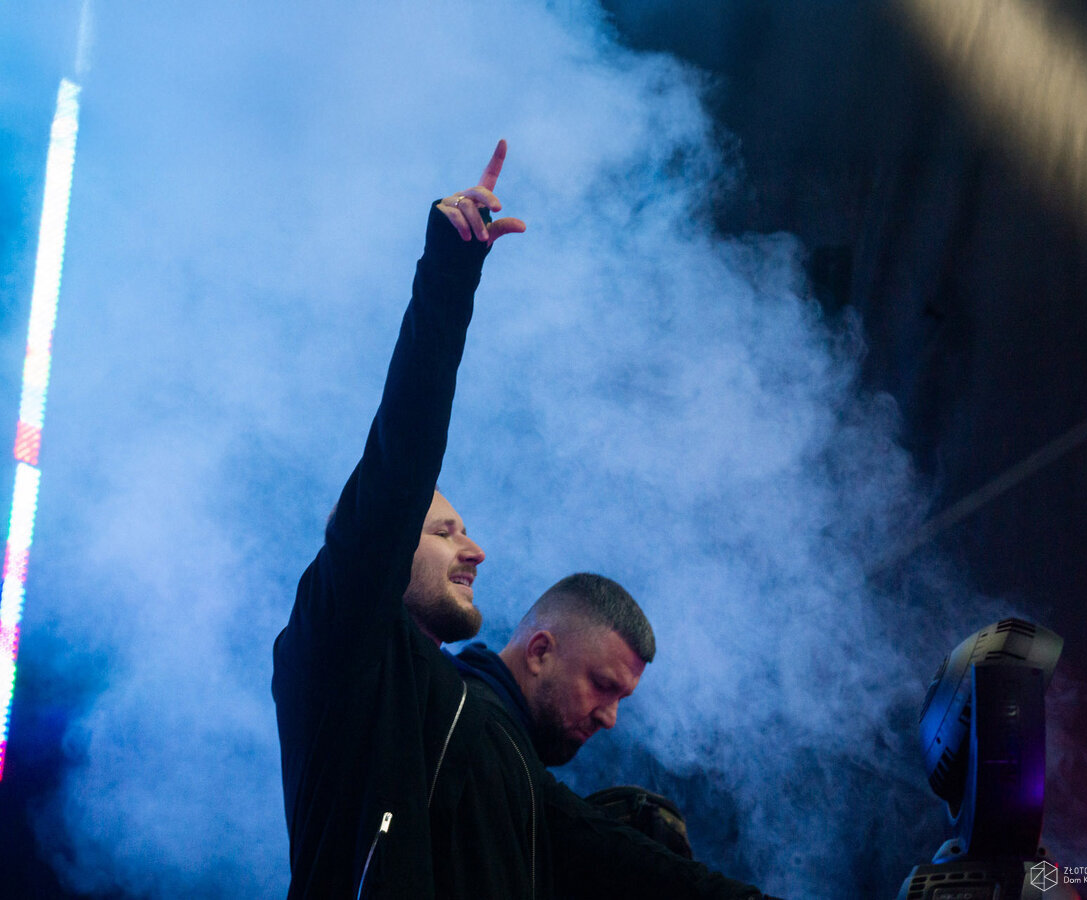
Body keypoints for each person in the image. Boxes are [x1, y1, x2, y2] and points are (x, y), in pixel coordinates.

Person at [272, 141, 774, 899]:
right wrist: (449, 275)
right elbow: (401, 458)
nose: (474, 549)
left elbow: (642, 871)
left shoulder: (493, 746)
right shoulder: (342, 648)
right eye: (443, 531)